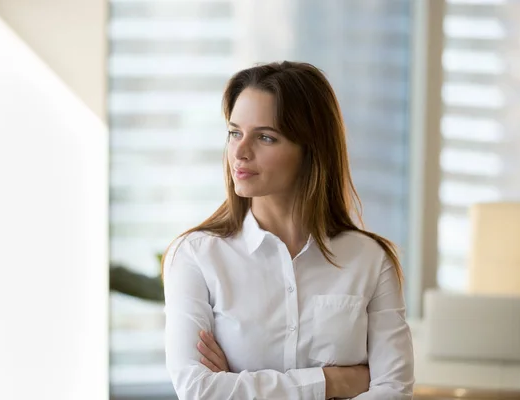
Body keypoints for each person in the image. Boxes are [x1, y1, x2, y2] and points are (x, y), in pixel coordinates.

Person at [162, 61, 414, 399]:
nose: (240, 151)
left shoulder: (370, 260)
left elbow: (394, 391)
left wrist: (240, 386)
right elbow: (199, 389)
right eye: (234, 132)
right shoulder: (195, 257)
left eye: (265, 137)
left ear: (311, 149)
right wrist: (331, 382)